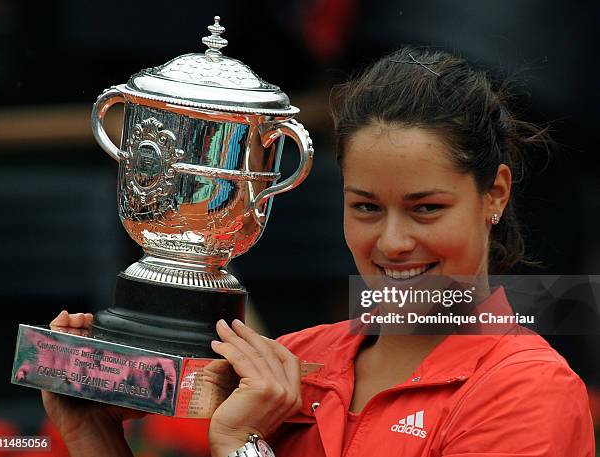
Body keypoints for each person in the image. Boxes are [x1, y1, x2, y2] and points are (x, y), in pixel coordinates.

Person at [42, 48, 595, 456]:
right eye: (366, 208)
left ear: (494, 194)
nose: (393, 242)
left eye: (426, 208)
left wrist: (241, 446)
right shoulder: (287, 365)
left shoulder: (527, 390)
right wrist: (95, 439)